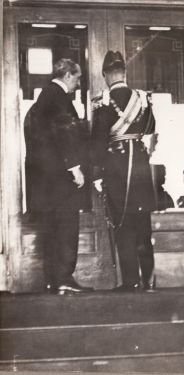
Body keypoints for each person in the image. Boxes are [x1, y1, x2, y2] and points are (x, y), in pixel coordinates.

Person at [25, 58, 92, 294]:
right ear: (67, 75)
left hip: (46, 181)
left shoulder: (44, 97)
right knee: (66, 226)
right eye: (77, 77)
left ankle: (54, 279)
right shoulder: (58, 98)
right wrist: (75, 168)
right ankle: (63, 277)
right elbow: (64, 132)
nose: (79, 82)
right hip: (60, 179)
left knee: (53, 228)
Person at [91, 51, 157, 292]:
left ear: (105, 75)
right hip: (140, 167)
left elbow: (97, 141)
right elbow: (151, 127)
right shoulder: (142, 98)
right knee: (143, 224)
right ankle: (150, 281)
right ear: (125, 73)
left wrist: (97, 176)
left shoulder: (104, 101)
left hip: (115, 169)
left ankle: (131, 282)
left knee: (122, 225)